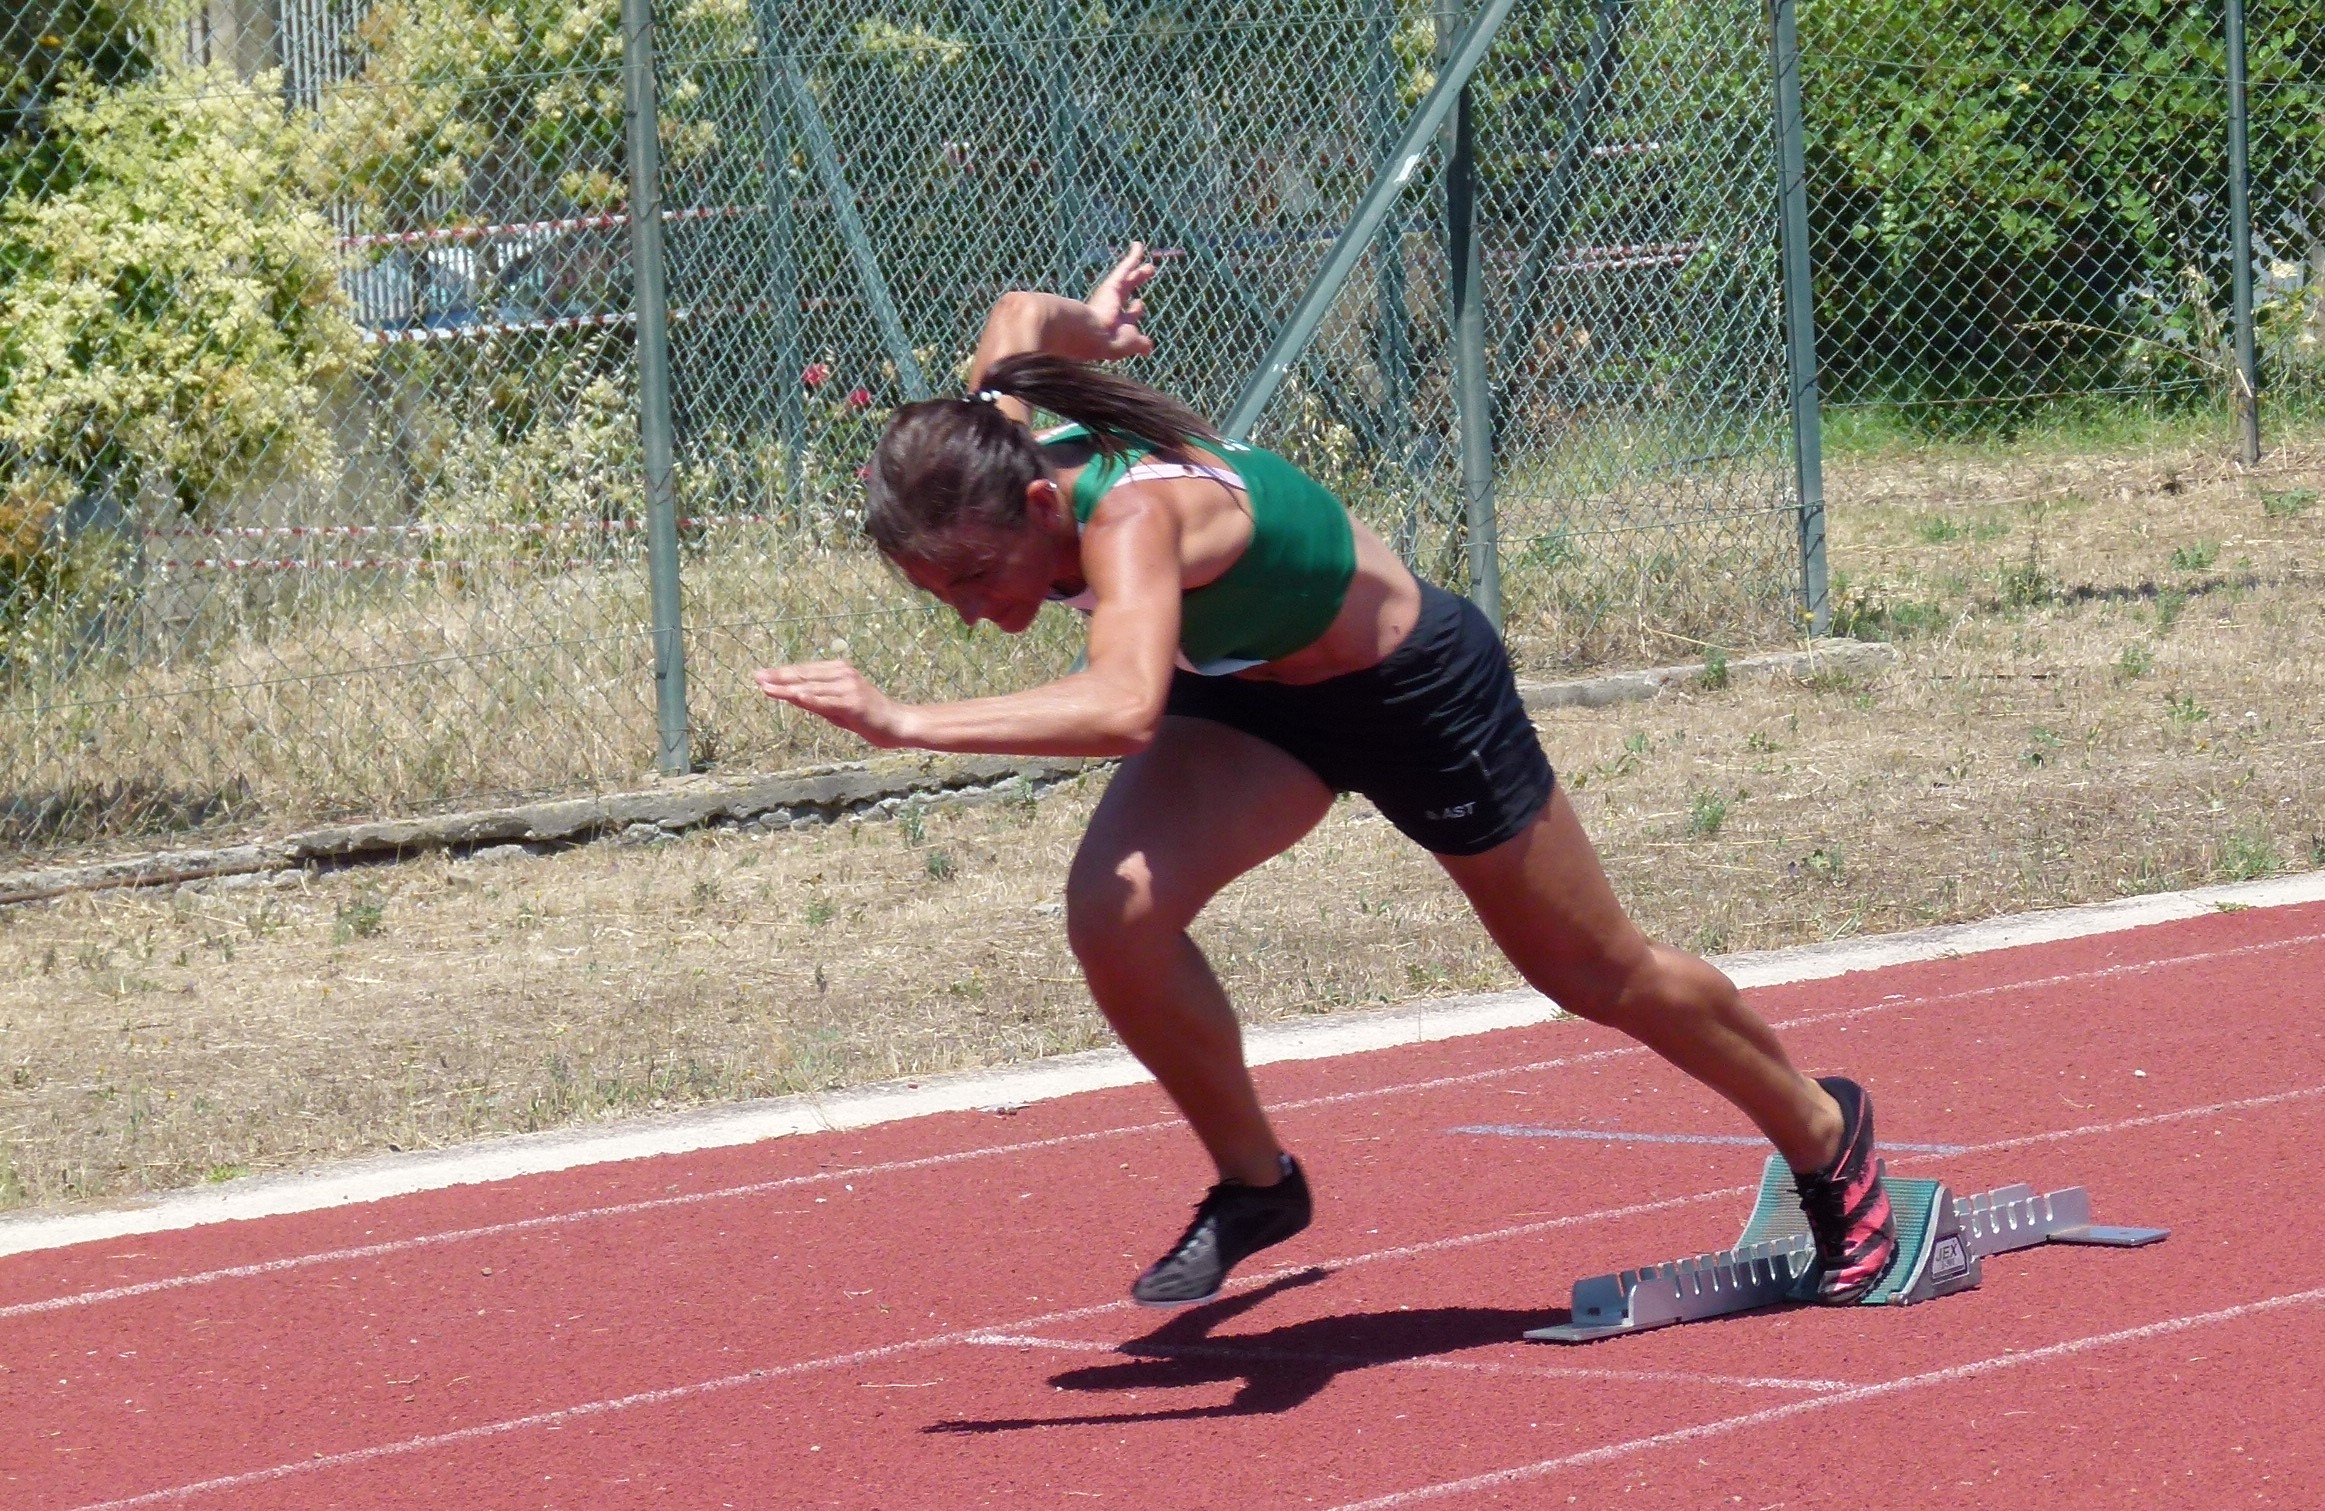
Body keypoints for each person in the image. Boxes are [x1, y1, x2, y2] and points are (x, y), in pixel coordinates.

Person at [754, 244, 1897, 1309]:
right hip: (1253, 697)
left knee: (1598, 973)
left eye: (975, 579)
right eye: (940, 595)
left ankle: (1823, 1130)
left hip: (1410, 691)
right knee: (1115, 911)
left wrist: (905, 722)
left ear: (1042, 505)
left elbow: (1123, 706)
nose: (971, 611)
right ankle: (1258, 1182)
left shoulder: (1133, 518)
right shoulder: (992, 428)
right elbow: (1016, 314)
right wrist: (1090, 327)